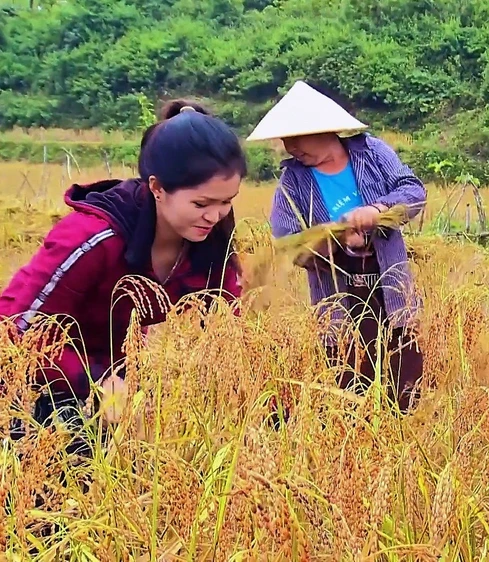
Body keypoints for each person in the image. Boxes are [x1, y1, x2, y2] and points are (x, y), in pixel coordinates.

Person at [1, 100, 246, 447]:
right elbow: (14, 330)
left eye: (227, 201)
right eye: (201, 204)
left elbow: (230, 329)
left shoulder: (210, 243)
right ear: (158, 188)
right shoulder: (92, 238)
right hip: (38, 379)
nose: (215, 216)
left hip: (117, 379)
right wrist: (95, 380)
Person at [247, 81, 426, 414]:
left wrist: (376, 211)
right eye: (285, 139)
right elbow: (288, 244)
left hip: (390, 287)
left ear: (323, 130)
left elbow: (413, 191)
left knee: (403, 379)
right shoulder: (293, 182)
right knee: (350, 384)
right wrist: (337, 239)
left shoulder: (372, 153)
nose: (290, 147)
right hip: (337, 296)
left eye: (296, 137)